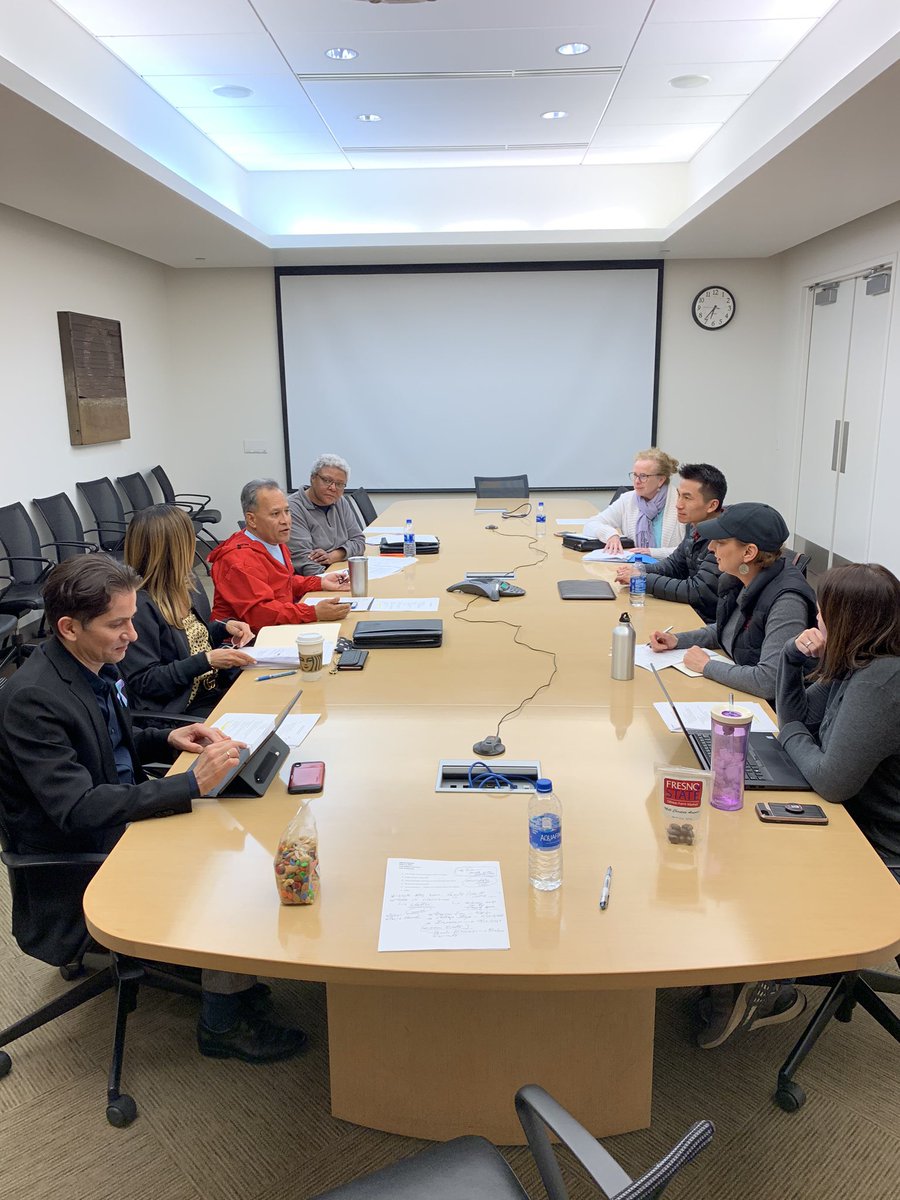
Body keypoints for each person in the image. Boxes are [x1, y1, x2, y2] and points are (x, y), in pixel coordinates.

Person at [0, 555, 308, 1062]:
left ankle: (225, 973)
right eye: (117, 624)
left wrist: (167, 735)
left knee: (241, 817)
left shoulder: (88, 666)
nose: (132, 636)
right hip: (83, 850)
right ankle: (222, 1025)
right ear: (68, 628)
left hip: (116, 813)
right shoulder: (35, 699)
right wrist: (189, 785)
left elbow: (106, 742)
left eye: (130, 619)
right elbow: (76, 807)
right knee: (229, 861)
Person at [696, 562, 900, 1049]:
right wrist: (790, 658)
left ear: (850, 620)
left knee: (747, 852)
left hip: (879, 845)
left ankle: (772, 986)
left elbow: (829, 779)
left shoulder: (882, 681)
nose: (817, 623)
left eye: (825, 615)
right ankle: (740, 968)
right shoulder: (859, 660)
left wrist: (789, 737)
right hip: (852, 819)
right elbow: (802, 715)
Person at [650, 503, 817, 701]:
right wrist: (678, 640)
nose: (711, 548)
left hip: (770, 713)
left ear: (748, 553)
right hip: (742, 696)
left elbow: (770, 682)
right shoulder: (742, 577)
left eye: (720, 542)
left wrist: (706, 666)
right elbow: (729, 630)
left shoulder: (787, 602)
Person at [122, 504, 255, 718]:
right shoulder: (138, 606)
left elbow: (190, 641)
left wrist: (224, 627)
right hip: (184, 709)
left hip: (212, 689)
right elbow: (145, 682)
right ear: (176, 548)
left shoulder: (185, 585)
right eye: (189, 538)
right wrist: (206, 661)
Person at [210, 478, 351, 634]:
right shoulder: (239, 560)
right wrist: (313, 612)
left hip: (279, 627)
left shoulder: (273, 540)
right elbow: (260, 615)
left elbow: (282, 583)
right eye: (275, 514)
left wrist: (320, 582)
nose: (286, 521)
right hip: (249, 643)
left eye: (287, 511)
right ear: (251, 519)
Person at [615, 463, 726, 621]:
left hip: (708, 623)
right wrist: (638, 570)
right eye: (679, 495)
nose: (678, 504)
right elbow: (673, 566)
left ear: (712, 505)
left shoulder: (723, 538)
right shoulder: (695, 527)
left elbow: (698, 590)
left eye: (687, 498)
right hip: (693, 614)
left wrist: (642, 579)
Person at [583, 448, 681, 558]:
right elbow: (591, 524)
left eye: (643, 476)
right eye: (635, 475)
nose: (637, 481)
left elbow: (691, 550)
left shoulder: (680, 502)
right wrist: (611, 535)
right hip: (635, 567)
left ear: (661, 480)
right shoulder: (628, 500)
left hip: (670, 571)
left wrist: (652, 553)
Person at [288, 453, 366, 575]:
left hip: (338, 571)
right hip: (316, 582)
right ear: (313, 478)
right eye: (327, 480)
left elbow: (359, 541)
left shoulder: (340, 501)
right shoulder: (293, 508)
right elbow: (304, 561)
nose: (333, 488)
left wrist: (332, 556)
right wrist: (334, 581)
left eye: (339, 484)